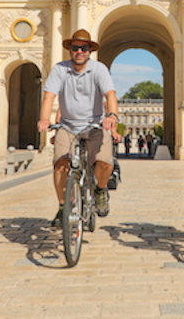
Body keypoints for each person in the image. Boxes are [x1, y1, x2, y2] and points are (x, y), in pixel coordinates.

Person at [37, 29, 119, 227]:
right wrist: (44, 119)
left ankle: (100, 190)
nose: (79, 51)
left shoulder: (99, 69)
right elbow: (49, 96)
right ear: (70, 50)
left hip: (95, 125)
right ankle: (63, 207)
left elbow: (110, 95)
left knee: (105, 163)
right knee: (60, 163)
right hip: (68, 125)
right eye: (75, 48)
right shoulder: (59, 69)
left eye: (83, 48)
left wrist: (112, 116)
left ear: (90, 50)